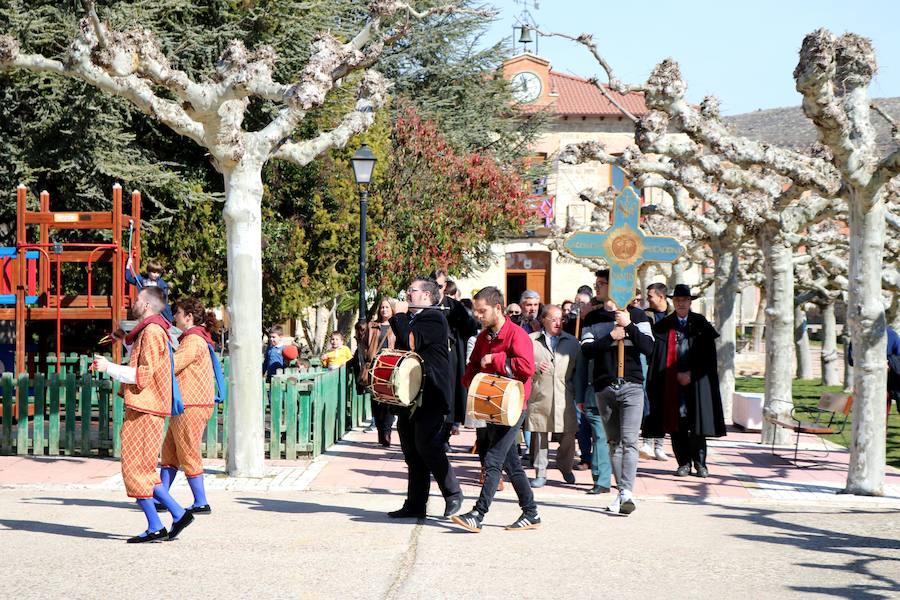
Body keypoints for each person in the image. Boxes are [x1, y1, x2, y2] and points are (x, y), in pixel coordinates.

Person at [93, 286, 193, 542]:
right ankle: (169, 518)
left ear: (147, 305)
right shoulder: (151, 330)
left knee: (136, 468)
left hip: (146, 408)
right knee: (140, 468)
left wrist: (109, 367)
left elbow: (144, 375)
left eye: (137, 299)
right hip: (145, 407)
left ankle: (164, 520)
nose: (133, 302)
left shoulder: (151, 332)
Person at [453, 286, 540, 532]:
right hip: (491, 405)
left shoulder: (517, 334)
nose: (478, 315)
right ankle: (531, 513)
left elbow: (526, 368)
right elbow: (472, 366)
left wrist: (496, 360)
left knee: (492, 459)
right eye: (476, 311)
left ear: (498, 308)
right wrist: (470, 382)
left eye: (483, 311)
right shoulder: (483, 337)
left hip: (513, 406)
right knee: (511, 462)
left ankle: (478, 514)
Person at [387, 277, 463, 520]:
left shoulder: (433, 318)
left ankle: (453, 493)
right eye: (408, 289)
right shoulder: (413, 318)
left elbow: (410, 342)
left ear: (427, 296)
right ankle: (416, 504)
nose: (408, 293)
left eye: (413, 290)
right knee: (411, 450)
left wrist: (397, 316)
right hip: (411, 393)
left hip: (431, 393)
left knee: (428, 446)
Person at [580, 269, 654, 515]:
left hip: (631, 385)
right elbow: (587, 350)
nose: (597, 288)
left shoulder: (638, 315)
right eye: (597, 283)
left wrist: (629, 326)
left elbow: (649, 347)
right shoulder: (592, 318)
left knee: (630, 442)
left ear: (615, 287)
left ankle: (626, 492)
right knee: (613, 443)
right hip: (604, 386)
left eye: (602, 284)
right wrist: (611, 336)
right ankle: (621, 492)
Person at [644, 284, 727, 478]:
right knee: (677, 424)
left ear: (690, 302)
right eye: (678, 300)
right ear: (673, 302)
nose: (681, 303)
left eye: (685, 300)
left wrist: (692, 374)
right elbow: (656, 359)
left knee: (697, 424)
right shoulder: (664, 326)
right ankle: (683, 463)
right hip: (671, 384)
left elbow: (709, 357)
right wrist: (675, 375)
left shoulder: (700, 323)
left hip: (697, 383)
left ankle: (700, 463)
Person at [158, 297, 220, 514]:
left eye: (178, 313)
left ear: (189, 317)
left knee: (188, 452)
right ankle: (162, 497)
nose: (174, 316)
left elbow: (173, 365)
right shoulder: (194, 338)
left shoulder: (193, 340)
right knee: (170, 452)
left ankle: (201, 501)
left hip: (191, 404)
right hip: (188, 403)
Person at [527, 305, 581, 487]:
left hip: (565, 395)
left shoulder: (573, 343)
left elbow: (579, 371)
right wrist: (534, 367)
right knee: (540, 435)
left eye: (561, 319)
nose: (558, 322)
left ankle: (565, 466)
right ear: (543, 320)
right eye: (554, 319)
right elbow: (521, 364)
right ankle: (540, 472)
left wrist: (577, 392)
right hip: (540, 394)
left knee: (568, 434)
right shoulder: (531, 340)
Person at [434, 270, 478, 444]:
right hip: (431, 358)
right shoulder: (424, 305)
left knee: (451, 395)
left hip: (451, 357)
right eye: (434, 284)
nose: (437, 289)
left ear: (445, 286)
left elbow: (470, 328)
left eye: (440, 285)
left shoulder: (454, 306)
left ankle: (445, 436)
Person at [640, 282, 672, 462]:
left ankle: (660, 445)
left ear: (661, 297)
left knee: (663, 406)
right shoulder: (646, 315)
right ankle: (647, 442)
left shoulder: (673, 315)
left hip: (669, 366)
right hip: (649, 364)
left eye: (651, 296)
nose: (648, 299)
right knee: (648, 404)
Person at [367, 299, 398, 446]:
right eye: (382, 307)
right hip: (374, 366)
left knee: (388, 400)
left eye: (387, 307)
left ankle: (386, 432)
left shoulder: (397, 325)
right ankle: (380, 430)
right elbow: (365, 345)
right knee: (376, 401)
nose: (384, 310)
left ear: (392, 309)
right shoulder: (373, 326)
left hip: (390, 365)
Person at [124, 257, 173, 322]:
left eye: (158, 273)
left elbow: (164, 297)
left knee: (165, 307)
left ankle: (169, 322)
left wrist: (167, 286)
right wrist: (128, 266)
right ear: (148, 271)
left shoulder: (160, 283)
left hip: (156, 304)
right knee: (139, 308)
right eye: (154, 272)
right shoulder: (143, 280)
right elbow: (128, 278)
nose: (156, 275)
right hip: (146, 304)